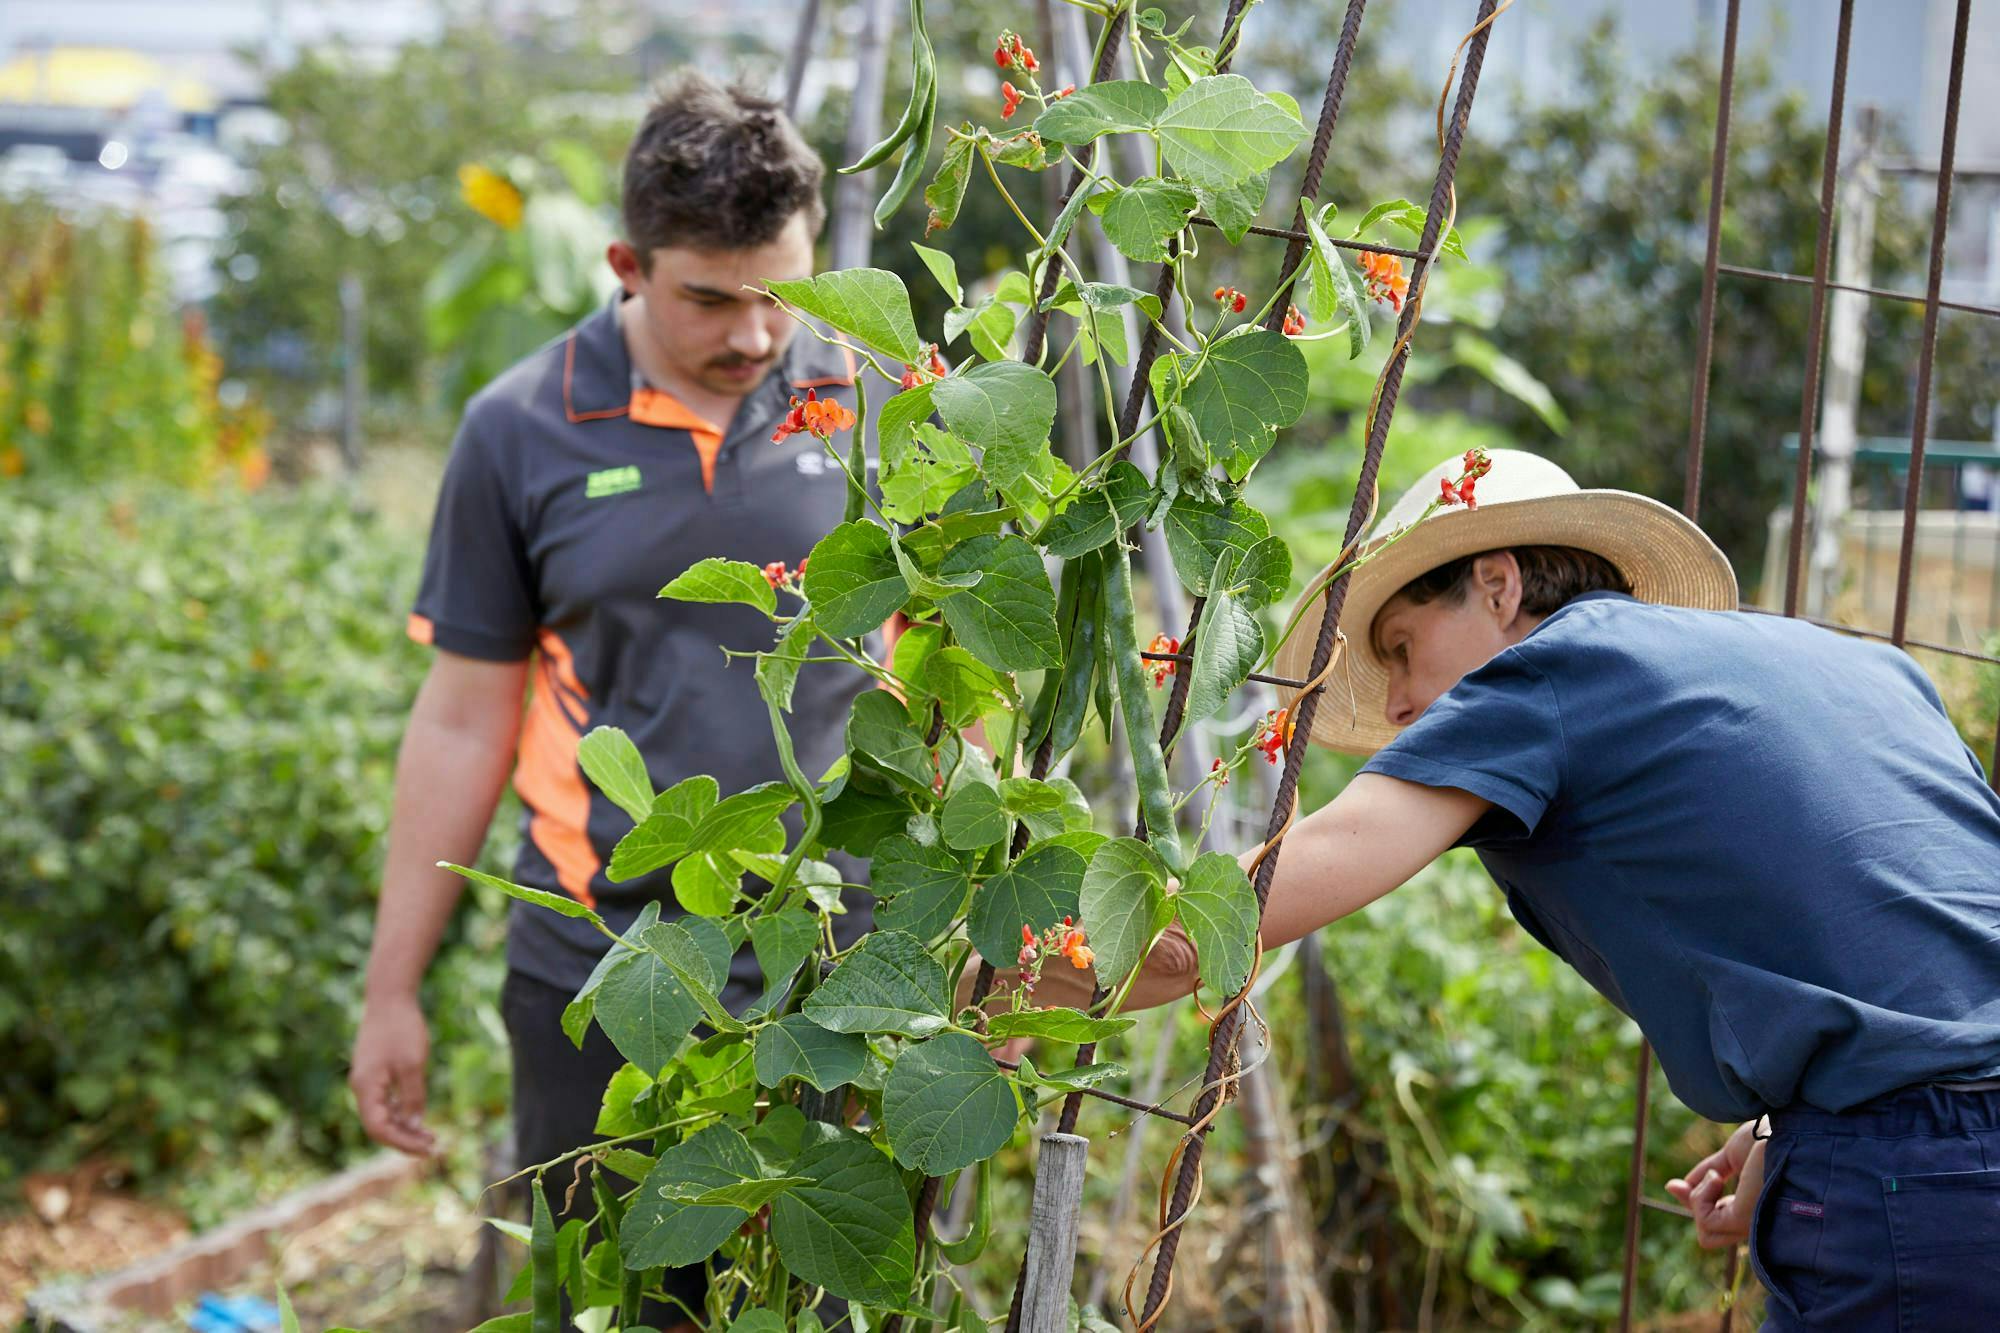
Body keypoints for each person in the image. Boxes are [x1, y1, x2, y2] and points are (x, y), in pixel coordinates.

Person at [1028, 449, 2000, 1329]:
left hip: (1911, 1188)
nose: (1402, 701)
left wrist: (1003, 974)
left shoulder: (1551, 674)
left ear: (1497, 585)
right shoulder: (1859, 663)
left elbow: (1206, 931)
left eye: (1404, 644)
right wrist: (1784, 1125)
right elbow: (1923, 924)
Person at [349, 73, 875, 1331]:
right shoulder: (521, 427)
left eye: (780, 295)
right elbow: (464, 716)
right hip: (604, 962)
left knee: (833, 1298)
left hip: (845, 964)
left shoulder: (878, 405)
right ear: (625, 264)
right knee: (619, 1297)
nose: (754, 337)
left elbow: (948, 683)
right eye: (708, 297)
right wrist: (390, 986)